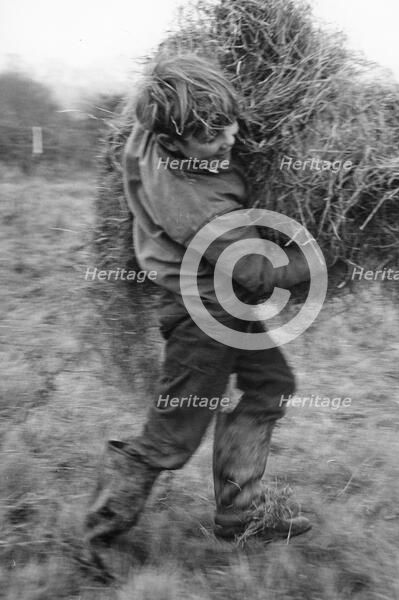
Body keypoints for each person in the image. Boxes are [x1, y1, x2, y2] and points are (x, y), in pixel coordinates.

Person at [84, 52, 320, 553]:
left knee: (271, 385)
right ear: (174, 141)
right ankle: (100, 533)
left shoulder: (154, 127)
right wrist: (323, 261)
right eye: (212, 137)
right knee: (173, 435)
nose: (230, 137)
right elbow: (256, 274)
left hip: (217, 301)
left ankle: (240, 512)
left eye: (228, 122)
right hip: (204, 313)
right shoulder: (195, 205)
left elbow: (183, 84)